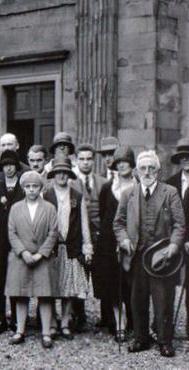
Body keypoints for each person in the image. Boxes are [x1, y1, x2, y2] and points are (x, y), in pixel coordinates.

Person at [115, 150, 185, 357]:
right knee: (138, 299)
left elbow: (179, 224)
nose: (147, 172)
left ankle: (165, 340)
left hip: (163, 257)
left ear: (158, 170)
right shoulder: (129, 193)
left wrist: (174, 246)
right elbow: (118, 223)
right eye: (143, 168)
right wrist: (124, 239)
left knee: (163, 299)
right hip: (137, 255)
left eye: (151, 168)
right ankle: (141, 338)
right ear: (137, 170)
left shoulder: (170, 192)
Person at [5, 171, 60, 349]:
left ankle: (45, 332)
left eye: (35, 186)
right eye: (28, 187)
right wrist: (23, 252)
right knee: (21, 295)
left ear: (40, 188)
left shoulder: (50, 208)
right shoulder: (15, 208)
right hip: (21, 258)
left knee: (44, 296)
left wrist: (40, 254)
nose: (31, 190)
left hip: (42, 259)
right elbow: (11, 232)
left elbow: (53, 233)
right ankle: (20, 330)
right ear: (23, 189)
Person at [43, 157, 92, 340]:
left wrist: (87, 248)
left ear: (69, 175)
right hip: (52, 249)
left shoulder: (76, 196)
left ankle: (64, 322)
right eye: (58, 172)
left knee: (68, 288)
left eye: (65, 172)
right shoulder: (46, 195)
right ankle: (52, 323)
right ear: (53, 175)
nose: (61, 175)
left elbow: (84, 223)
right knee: (50, 286)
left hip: (71, 247)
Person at [97, 145, 136, 340]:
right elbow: (103, 213)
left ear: (132, 164)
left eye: (125, 162)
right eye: (118, 163)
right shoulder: (107, 187)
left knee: (132, 284)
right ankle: (118, 322)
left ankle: (134, 321)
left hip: (132, 242)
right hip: (108, 243)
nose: (122, 166)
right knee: (113, 284)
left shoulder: (139, 186)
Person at [0, 149, 25, 334]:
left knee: (16, 279)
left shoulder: (23, 187)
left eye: (12, 165)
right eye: (5, 165)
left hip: (18, 240)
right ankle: (1, 318)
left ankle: (17, 320)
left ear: (17, 167)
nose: (9, 168)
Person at [72, 143, 105, 331]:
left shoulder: (102, 182)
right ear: (76, 161)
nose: (85, 162)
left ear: (93, 160)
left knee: (101, 278)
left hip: (100, 239)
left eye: (89, 159)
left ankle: (107, 317)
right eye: (82, 159)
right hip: (79, 239)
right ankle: (79, 316)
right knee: (79, 278)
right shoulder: (70, 183)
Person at [166, 137, 189, 337]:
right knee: (167, 283)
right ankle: (164, 328)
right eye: (182, 157)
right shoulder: (170, 183)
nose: (186, 160)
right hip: (174, 242)